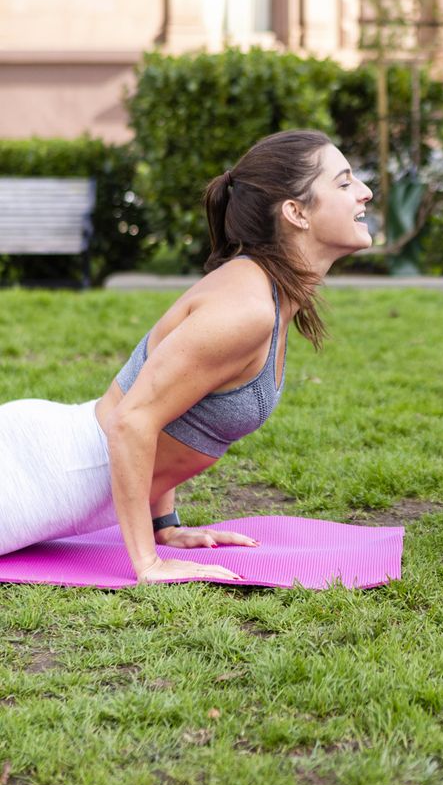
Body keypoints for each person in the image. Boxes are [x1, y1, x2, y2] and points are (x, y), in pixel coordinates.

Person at [0, 130, 372, 583]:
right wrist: (148, 563)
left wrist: (165, 527)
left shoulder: (262, 292)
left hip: (62, 469)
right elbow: (132, 422)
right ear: (295, 212)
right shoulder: (247, 308)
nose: (364, 192)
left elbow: (172, 404)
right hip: (39, 476)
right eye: (344, 182)